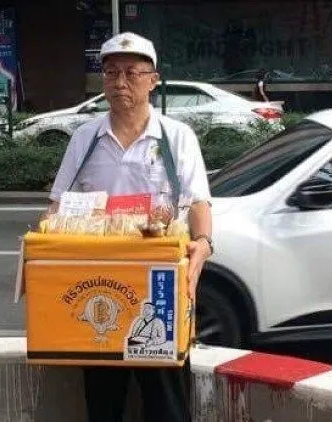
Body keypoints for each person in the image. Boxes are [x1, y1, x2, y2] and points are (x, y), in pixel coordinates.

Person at [42, 32, 214, 422]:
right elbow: (57, 206)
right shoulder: (85, 138)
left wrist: (203, 243)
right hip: (99, 282)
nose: (120, 82)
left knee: (166, 400)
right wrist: (46, 239)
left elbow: (199, 202)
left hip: (159, 282)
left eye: (132, 73)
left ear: (153, 80)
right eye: (111, 72)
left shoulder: (177, 137)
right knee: (103, 399)